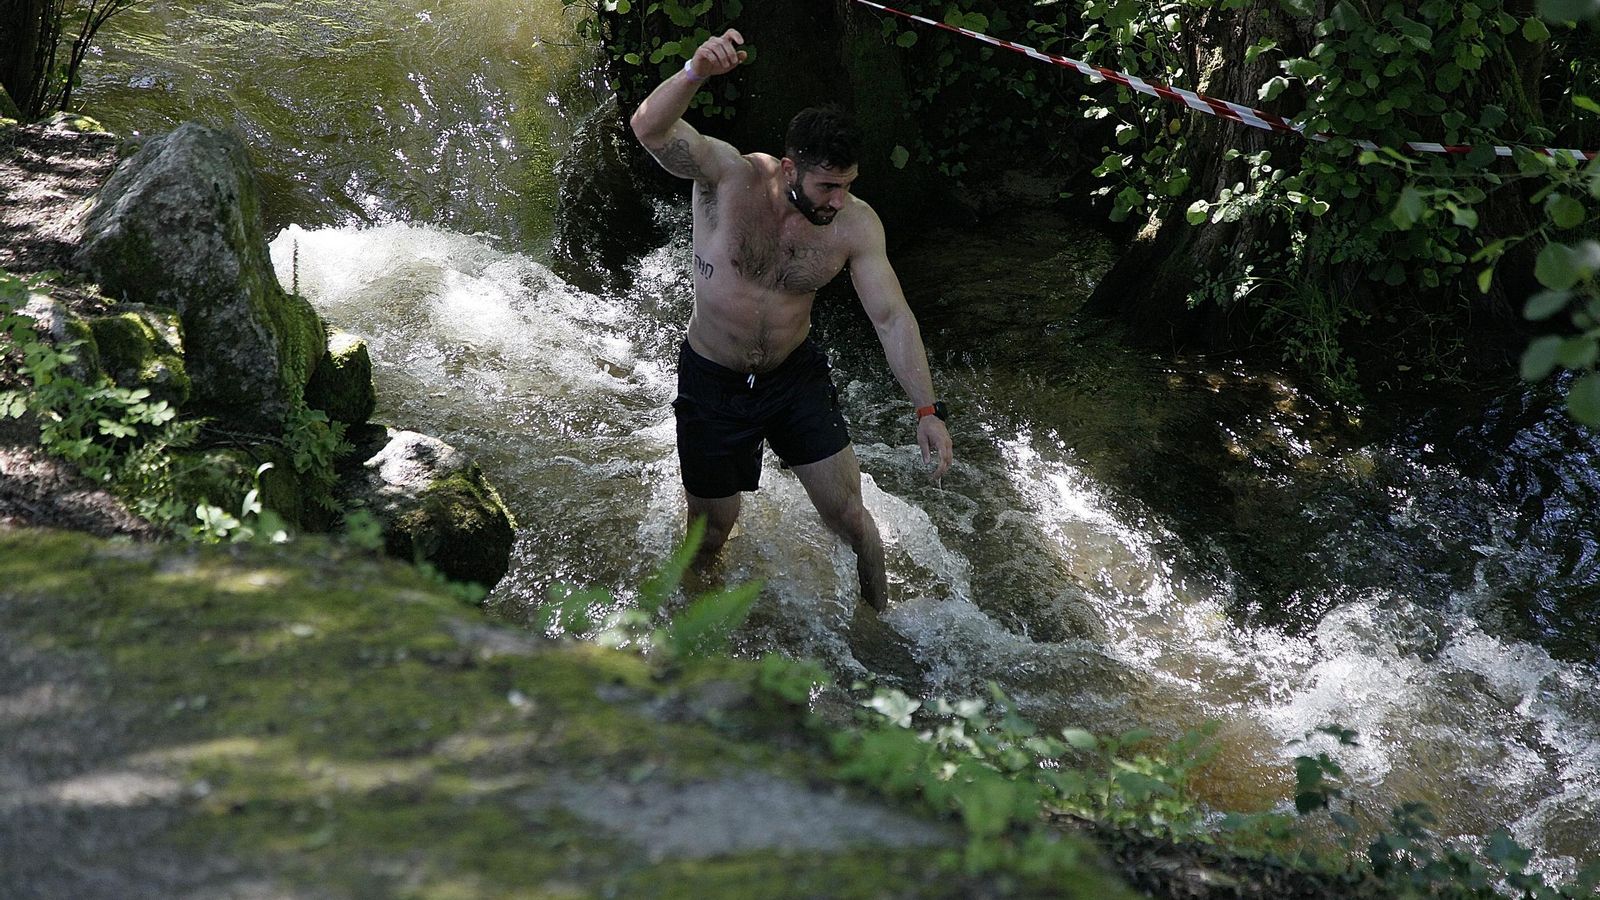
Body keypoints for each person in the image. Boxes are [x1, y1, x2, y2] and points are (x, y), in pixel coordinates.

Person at [629, 28, 953, 612]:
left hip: (793, 379)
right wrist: (695, 72)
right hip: (714, 380)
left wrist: (927, 410)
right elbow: (648, 128)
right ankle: (694, 649)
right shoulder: (727, 177)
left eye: (848, 185)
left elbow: (891, 316)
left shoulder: (856, 225)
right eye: (828, 186)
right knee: (708, 539)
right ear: (789, 169)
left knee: (853, 521)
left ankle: (881, 627)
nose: (837, 200)